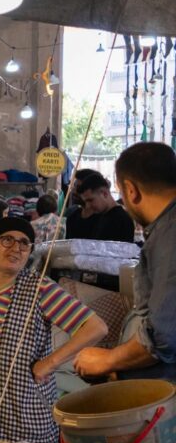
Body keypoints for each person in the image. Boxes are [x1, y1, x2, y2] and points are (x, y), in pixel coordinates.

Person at [0, 216, 107, 443]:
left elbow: (95, 327)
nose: (16, 248)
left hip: (22, 404)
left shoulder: (41, 288)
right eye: (7, 239)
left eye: (24, 243)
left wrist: (50, 363)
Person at [75, 143, 176, 381]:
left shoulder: (170, 234)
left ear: (131, 190)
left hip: (162, 393)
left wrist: (107, 360)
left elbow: (164, 338)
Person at [71, 171, 135, 242]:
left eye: (90, 200)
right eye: (86, 201)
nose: (88, 205)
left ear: (104, 194)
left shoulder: (121, 219)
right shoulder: (100, 217)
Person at [64, 168, 100, 240]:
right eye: (74, 186)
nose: (74, 191)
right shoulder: (72, 218)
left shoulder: (104, 220)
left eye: (79, 188)